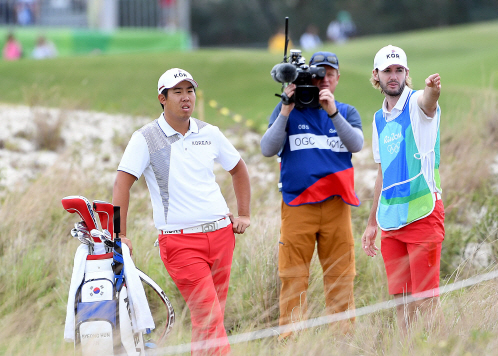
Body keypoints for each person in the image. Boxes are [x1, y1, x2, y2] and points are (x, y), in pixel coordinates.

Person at [113, 68, 251, 355]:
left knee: (210, 320)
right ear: (162, 98)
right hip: (180, 242)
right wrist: (120, 233)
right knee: (210, 318)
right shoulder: (146, 138)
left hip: (222, 235)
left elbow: (239, 169)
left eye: (190, 91)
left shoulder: (209, 132)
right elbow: (121, 184)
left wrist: (244, 213)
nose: (186, 97)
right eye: (178, 92)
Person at [261, 51, 364, 339]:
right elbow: (267, 148)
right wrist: (285, 108)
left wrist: (331, 111)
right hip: (297, 205)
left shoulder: (346, 111)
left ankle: (344, 339)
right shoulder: (289, 110)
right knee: (293, 277)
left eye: (330, 74)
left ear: (338, 78)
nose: (325, 79)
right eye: (320, 75)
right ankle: (291, 342)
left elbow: (356, 144)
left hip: (336, 206)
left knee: (341, 275)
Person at [361, 45, 444, 335]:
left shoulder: (416, 103)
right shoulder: (377, 119)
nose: (393, 76)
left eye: (399, 70)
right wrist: (372, 222)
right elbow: (382, 171)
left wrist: (432, 89)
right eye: (387, 71)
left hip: (423, 213)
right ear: (377, 76)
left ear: (407, 74)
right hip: (391, 220)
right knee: (401, 301)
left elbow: (429, 102)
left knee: (426, 300)